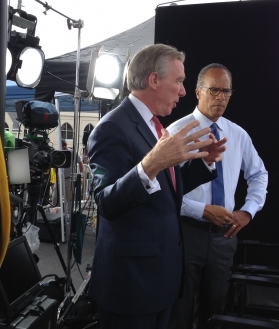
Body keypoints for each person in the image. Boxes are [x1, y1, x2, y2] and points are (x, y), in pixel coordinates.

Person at [87, 44, 227, 329]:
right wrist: (149, 165)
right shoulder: (111, 127)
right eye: (178, 81)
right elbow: (105, 203)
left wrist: (205, 163)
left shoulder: (156, 127)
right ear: (153, 80)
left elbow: (168, 188)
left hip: (160, 280)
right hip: (131, 285)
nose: (184, 91)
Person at [166, 63, 268, 329]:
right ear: (198, 92)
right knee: (180, 310)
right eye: (214, 90)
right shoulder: (177, 132)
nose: (221, 97)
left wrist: (248, 211)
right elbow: (164, 190)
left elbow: (259, 175)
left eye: (226, 91)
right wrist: (200, 210)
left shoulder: (237, 135)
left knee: (216, 310)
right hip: (185, 235)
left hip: (224, 237)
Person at [52, 139, 84, 214]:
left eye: (65, 145)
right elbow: (55, 167)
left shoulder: (72, 152)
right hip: (59, 179)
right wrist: (53, 181)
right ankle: (55, 214)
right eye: (63, 145)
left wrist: (81, 175)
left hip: (68, 179)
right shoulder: (58, 152)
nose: (64, 147)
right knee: (55, 198)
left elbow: (80, 163)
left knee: (69, 199)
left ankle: (68, 215)